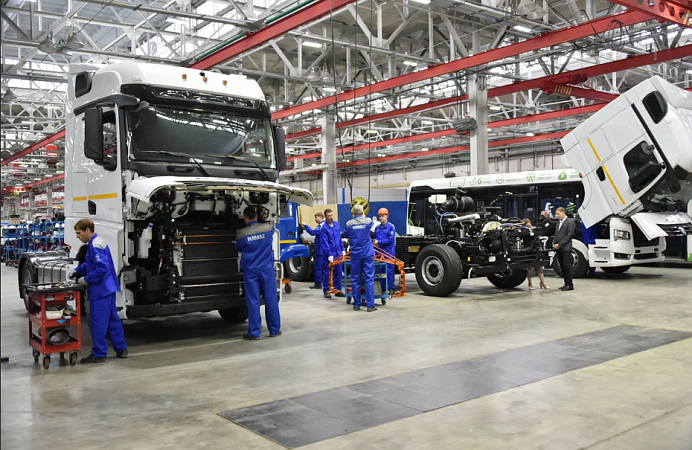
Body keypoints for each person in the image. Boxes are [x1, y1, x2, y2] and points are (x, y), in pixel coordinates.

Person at [69, 219, 127, 363]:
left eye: (79, 233)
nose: (77, 236)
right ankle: (121, 349)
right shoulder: (96, 243)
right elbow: (91, 263)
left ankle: (99, 354)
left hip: (100, 290)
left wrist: (86, 279)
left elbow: (102, 268)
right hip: (108, 288)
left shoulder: (95, 245)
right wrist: (78, 270)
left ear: (88, 230)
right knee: (112, 320)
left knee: (98, 323)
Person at [236, 207, 281, 340]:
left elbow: (238, 248)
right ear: (256, 216)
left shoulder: (241, 234)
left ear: (245, 218)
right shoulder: (268, 228)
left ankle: (254, 333)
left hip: (250, 271)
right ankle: (274, 330)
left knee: (253, 301)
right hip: (266, 270)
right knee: (271, 299)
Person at [344, 204, 377, 312]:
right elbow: (372, 224)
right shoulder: (368, 221)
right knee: (369, 279)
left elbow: (346, 234)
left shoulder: (349, 224)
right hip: (367, 254)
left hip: (355, 255)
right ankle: (370, 305)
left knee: (355, 279)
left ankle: (356, 305)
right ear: (363, 213)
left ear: (353, 213)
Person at [320, 209, 346, 299]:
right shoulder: (324, 227)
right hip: (329, 253)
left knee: (338, 271)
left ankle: (338, 289)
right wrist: (329, 254)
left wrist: (343, 249)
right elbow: (325, 242)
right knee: (327, 271)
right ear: (325, 217)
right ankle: (326, 290)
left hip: (338, 252)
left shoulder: (337, 225)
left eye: (332, 215)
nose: (331, 217)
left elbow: (339, 238)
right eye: (329, 216)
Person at [373, 208, 396, 296]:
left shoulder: (390, 227)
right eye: (380, 216)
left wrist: (379, 242)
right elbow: (375, 238)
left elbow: (390, 240)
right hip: (379, 253)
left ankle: (391, 288)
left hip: (388, 253)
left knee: (389, 271)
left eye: (382, 216)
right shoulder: (377, 228)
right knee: (380, 272)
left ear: (387, 216)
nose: (381, 218)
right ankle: (382, 289)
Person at [522, 218, 550, 290]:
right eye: (527, 225)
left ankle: (542, 282)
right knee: (530, 268)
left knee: (539, 267)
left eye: (529, 224)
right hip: (528, 250)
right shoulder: (523, 232)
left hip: (535, 249)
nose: (529, 226)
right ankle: (530, 283)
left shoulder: (534, 230)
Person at [553, 206, 576, 291]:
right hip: (558, 248)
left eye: (558, 214)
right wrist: (554, 243)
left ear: (563, 212)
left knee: (566, 266)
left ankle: (570, 284)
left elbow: (569, 236)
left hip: (566, 248)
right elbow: (556, 234)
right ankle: (566, 283)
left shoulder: (570, 222)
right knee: (562, 266)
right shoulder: (558, 223)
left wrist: (560, 244)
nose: (557, 215)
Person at [302, 212, 325, 290]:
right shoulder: (325, 225)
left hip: (320, 250)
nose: (315, 219)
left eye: (316, 217)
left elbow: (313, 232)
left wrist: (306, 225)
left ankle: (318, 284)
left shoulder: (321, 226)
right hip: (324, 250)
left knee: (318, 267)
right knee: (325, 268)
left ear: (320, 217)